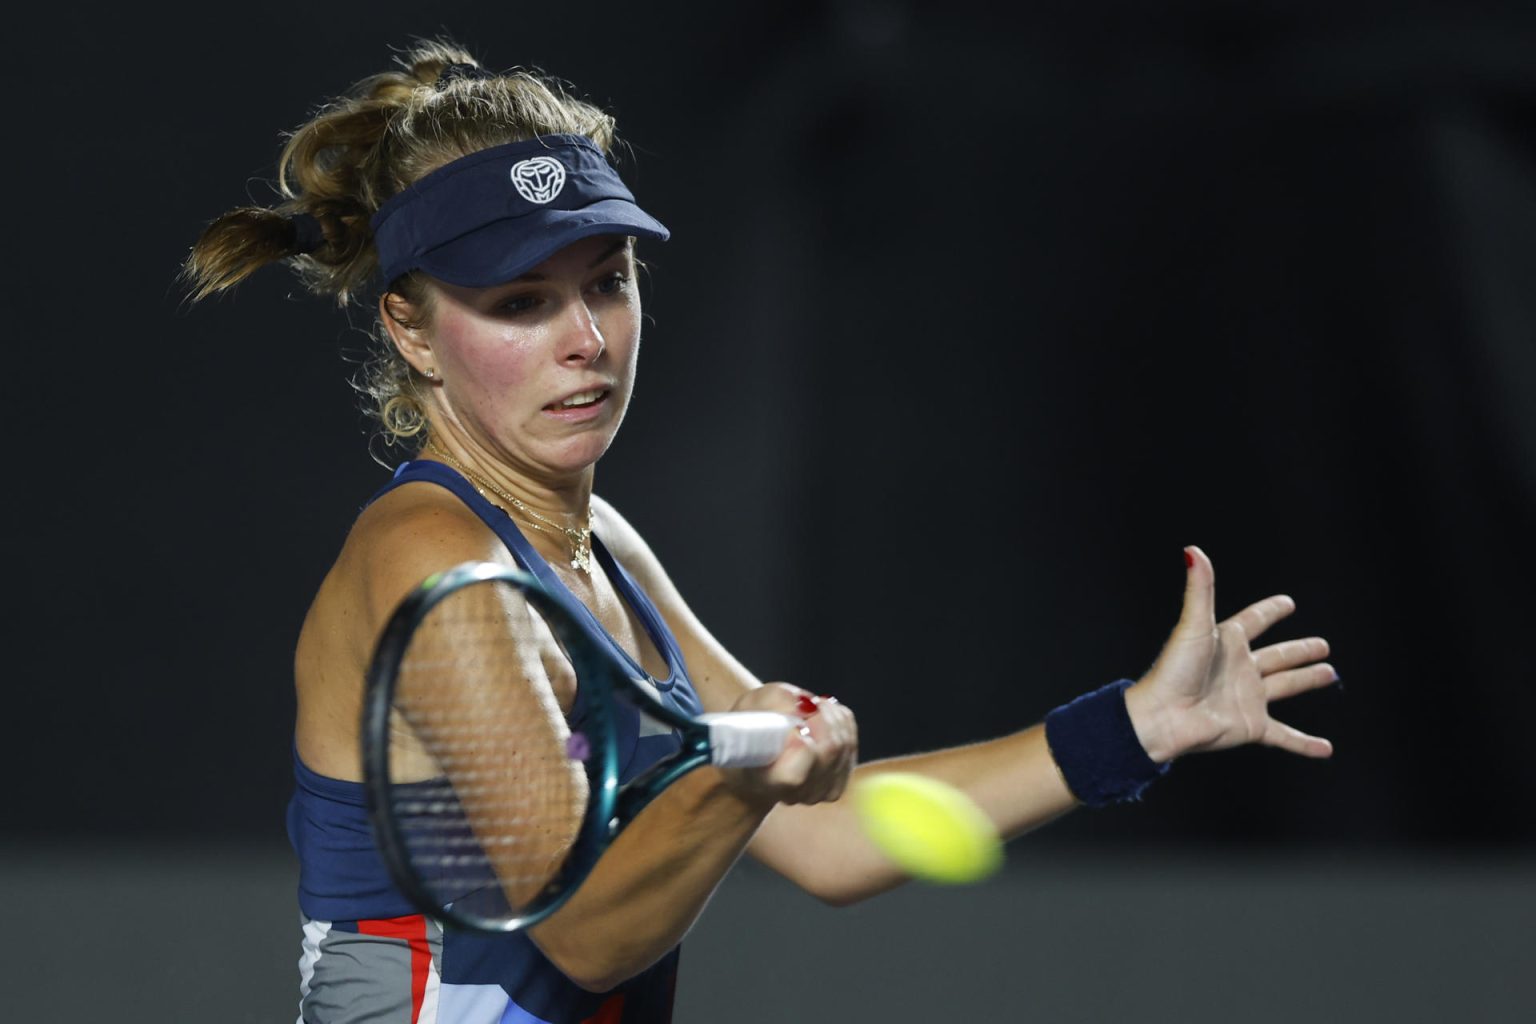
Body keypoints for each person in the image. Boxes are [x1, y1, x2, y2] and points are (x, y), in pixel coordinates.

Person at [183, 40, 1337, 1024]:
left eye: (609, 278)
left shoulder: (605, 551)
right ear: (415, 331)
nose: (587, 337)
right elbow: (582, 931)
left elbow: (830, 841)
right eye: (522, 302)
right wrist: (740, 782)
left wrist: (1136, 724)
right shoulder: (435, 564)